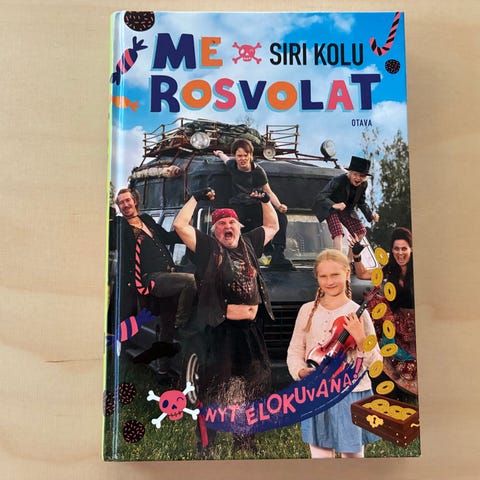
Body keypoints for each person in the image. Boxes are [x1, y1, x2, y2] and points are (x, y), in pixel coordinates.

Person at [173, 186, 279, 450]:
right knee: (215, 387)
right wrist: (196, 198)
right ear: (215, 230)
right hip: (221, 330)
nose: (227, 226)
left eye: (231, 222)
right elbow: (180, 225)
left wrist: (266, 200)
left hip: (250, 330)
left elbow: (272, 225)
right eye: (221, 223)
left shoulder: (250, 243)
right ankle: (206, 443)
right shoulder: (208, 248)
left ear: (239, 227)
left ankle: (244, 440)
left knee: (252, 383)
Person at [287, 249, 382, 458]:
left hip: (350, 393)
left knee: (352, 458)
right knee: (320, 458)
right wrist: (301, 372)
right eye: (323, 276)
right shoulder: (307, 311)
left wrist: (360, 339)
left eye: (335, 275)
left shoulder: (359, 313)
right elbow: (295, 351)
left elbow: (376, 362)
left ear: (347, 274)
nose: (329, 281)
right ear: (317, 278)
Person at [109, 184, 196, 371]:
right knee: (190, 281)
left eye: (128, 200)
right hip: (148, 279)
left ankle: (163, 369)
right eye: (121, 203)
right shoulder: (120, 226)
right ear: (118, 207)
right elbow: (108, 239)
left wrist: (189, 231)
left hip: (167, 275)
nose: (125, 205)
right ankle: (181, 323)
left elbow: (167, 237)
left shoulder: (147, 219)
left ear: (135, 201)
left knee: (166, 323)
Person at [350, 227, 417, 398]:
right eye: (396, 249)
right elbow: (363, 273)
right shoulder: (390, 270)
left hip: (417, 326)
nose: (400, 253)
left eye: (404, 249)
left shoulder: (420, 271)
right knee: (374, 301)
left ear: (411, 249)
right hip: (396, 325)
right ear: (391, 250)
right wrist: (356, 255)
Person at [213, 138, 294, 269]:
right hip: (238, 204)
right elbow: (225, 159)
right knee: (230, 224)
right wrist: (219, 153)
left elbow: (268, 191)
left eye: (246, 155)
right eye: (239, 156)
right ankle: (227, 256)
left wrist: (279, 206)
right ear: (235, 156)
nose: (243, 159)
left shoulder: (258, 172)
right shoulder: (232, 165)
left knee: (280, 217)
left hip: (255, 204)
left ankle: (278, 255)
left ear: (251, 155)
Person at [312, 156, 379, 252]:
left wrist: (370, 214)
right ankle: (338, 259)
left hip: (347, 210)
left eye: (361, 176)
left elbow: (361, 202)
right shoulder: (339, 180)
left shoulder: (363, 184)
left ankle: (350, 259)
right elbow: (321, 196)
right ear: (350, 173)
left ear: (364, 178)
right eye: (355, 174)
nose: (358, 178)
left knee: (360, 232)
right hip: (330, 209)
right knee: (338, 233)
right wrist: (334, 205)